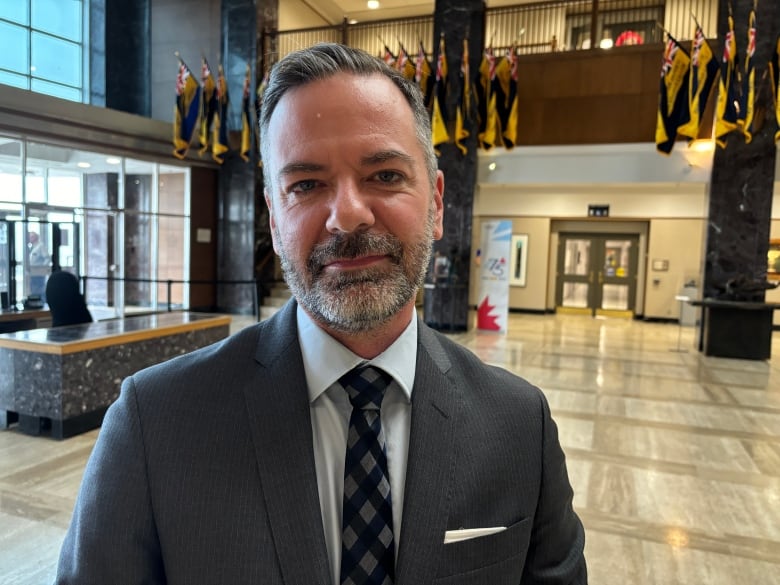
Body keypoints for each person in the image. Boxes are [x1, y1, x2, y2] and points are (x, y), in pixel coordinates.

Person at [55, 43, 586, 584]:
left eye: (384, 175)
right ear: (273, 214)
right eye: (306, 184)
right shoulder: (155, 423)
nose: (348, 215)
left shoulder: (519, 424)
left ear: (437, 204)